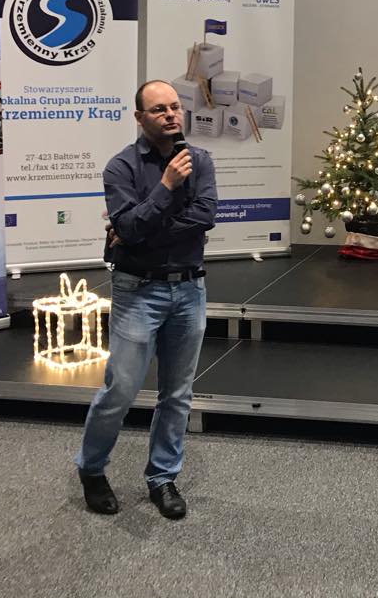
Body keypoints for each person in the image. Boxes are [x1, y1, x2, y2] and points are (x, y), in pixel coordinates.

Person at [76, 79, 217, 520]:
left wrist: (140, 232)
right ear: (140, 117)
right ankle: (92, 470)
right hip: (138, 291)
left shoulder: (201, 160)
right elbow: (130, 228)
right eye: (159, 109)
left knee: (177, 394)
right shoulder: (120, 168)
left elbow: (204, 216)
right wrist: (166, 186)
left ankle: (162, 477)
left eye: (175, 106)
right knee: (119, 390)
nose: (171, 114)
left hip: (189, 289)